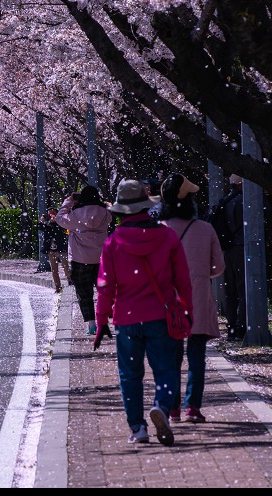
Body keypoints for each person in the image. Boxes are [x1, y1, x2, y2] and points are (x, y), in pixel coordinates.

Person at [93, 178, 193, 447]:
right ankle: (161, 406)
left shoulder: (112, 242)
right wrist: (187, 309)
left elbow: (105, 287)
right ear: (145, 207)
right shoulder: (168, 236)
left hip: (126, 319)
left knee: (130, 376)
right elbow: (183, 280)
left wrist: (101, 321)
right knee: (166, 370)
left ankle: (138, 428)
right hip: (160, 315)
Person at [157, 173, 225, 424]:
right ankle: (192, 407)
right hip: (197, 300)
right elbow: (219, 266)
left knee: (172, 357)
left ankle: (172, 408)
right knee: (196, 356)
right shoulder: (205, 229)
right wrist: (198, 274)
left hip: (168, 302)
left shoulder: (160, 231)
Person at [55, 184, 111, 335]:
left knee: (84, 293)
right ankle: (104, 319)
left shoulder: (75, 215)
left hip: (80, 260)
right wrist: (105, 204)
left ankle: (91, 325)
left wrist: (68, 201)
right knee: (103, 291)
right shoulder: (105, 213)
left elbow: (60, 218)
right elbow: (113, 212)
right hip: (101, 259)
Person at [212, 174, 245, 340]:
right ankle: (243, 325)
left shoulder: (223, 202)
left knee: (230, 291)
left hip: (227, 249)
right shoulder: (244, 201)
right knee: (244, 288)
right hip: (242, 248)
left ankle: (232, 325)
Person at [36, 207, 70, 291]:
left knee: (66, 267)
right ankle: (58, 287)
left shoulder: (61, 222)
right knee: (54, 270)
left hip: (61, 248)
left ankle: (70, 281)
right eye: (50, 213)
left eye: (53, 213)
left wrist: (57, 220)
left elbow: (65, 229)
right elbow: (40, 227)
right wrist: (42, 220)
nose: (52, 215)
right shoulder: (48, 225)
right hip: (51, 250)